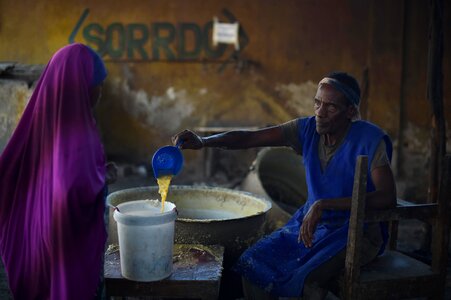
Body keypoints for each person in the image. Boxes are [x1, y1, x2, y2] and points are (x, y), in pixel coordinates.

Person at [172, 71, 397, 299]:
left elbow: (387, 197)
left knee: (303, 279)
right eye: (317, 103)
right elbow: (250, 138)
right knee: (252, 263)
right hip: (312, 226)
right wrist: (204, 142)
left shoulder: (370, 140)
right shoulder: (306, 130)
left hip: (356, 232)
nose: (320, 112)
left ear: (350, 112)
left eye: (331, 107)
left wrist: (324, 204)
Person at [0, 43, 117, 299]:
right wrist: (100, 180)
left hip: (35, 246)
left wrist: (98, 173)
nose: (101, 92)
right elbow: (69, 189)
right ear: (82, 86)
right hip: (64, 247)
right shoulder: (78, 132)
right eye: (98, 84)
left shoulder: (40, 121)